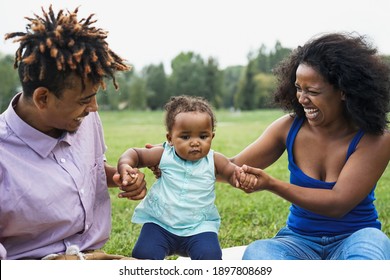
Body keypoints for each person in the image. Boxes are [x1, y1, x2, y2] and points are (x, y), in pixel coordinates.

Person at [0, 5, 146, 260]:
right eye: (83, 100)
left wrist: (120, 178)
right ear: (42, 98)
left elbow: (85, 172)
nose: (94, 107)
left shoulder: (83, 118)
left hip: (96, 259)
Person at [231, 32, 390, 259]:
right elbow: (232, 166)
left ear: (344, 91)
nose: (301, 99)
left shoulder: (376, 139)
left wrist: (271, 184)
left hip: (356, 238)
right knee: (258, 253)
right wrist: (170, 155)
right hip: (298, 241)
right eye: (298, 88)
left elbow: (337, 204)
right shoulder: (288, 128)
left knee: (373, 248)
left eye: (312, 91)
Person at [116, 95, 255, 260]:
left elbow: (232, 172)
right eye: (186, 137)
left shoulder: (215, 160)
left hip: (200, 227)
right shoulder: (164, 155)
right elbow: (136, 154)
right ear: (170, 139)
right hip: (161, 224)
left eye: (203, 136)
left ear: (212, 136)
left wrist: (241, 178)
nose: (195, 142)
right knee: (143, 255)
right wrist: (125, 165)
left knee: (210, 257)